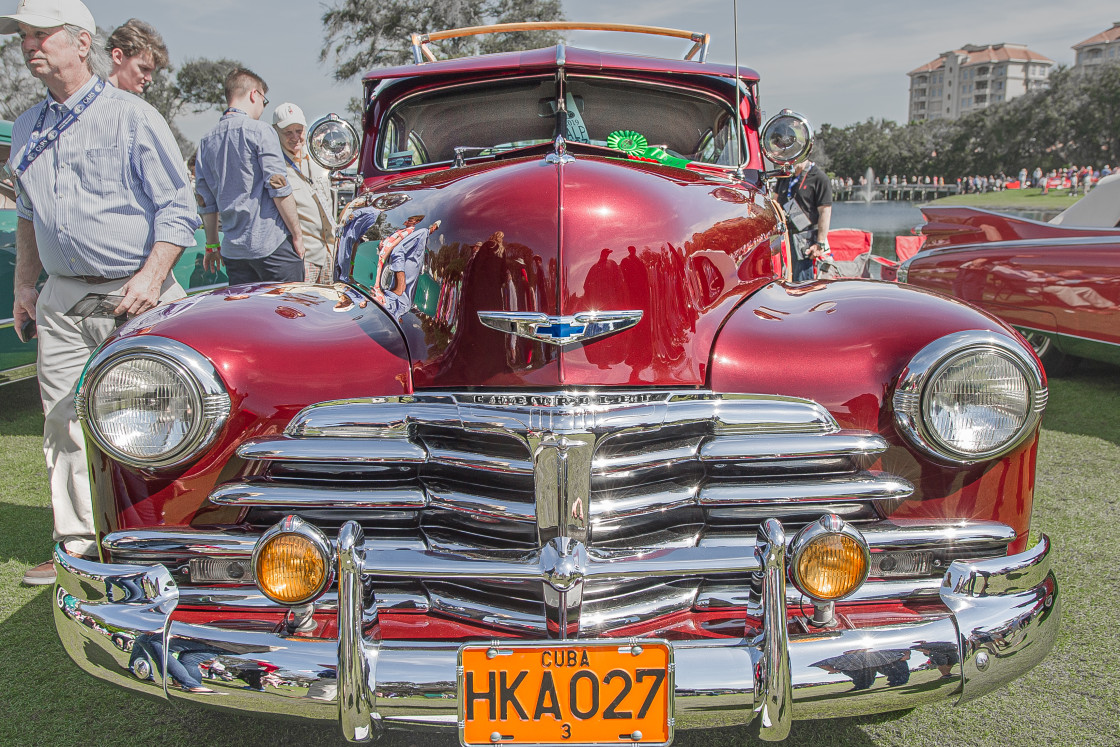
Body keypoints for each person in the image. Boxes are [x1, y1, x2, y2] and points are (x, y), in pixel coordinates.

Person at [2, 0, 200, 585]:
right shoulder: (27, 126)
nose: (29, 46)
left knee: (165, 418)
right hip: (62, 298)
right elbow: (29, 217)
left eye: (42, 35)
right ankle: (80, 545)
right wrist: (24, 286)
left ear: (81, 42)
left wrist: (149, 275)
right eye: (24, 37)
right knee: (63, 421)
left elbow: (177, 207)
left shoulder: (132, 116)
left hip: (136, 293)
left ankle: (173, 541)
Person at [195, 68, 304, 285]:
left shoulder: (206, 141)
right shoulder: (260, 131)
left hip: (234, 251)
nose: (263, 108)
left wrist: (212, 244)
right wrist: (297, 234)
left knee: (248, 316)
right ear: (255, 94)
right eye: (264, 101)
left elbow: (205, 200)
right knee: (289, 314)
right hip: (271, 245)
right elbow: (278, 187)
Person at [272, 102, 336, 283]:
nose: (295, 137)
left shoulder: (318, 158)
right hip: (303, 257)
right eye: (287, 132)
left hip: (329, 253)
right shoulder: (275, 167)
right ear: (275, 131)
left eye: (299, 131)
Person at [780, 158, 832, 281]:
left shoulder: (819, 178)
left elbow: (825, 212)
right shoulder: (785, 175)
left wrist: (820, 243)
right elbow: (775, 201)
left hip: (805, 241)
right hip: (785, 237)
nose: (791, 162)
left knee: (802, 282)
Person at [105, 18, 166, 95]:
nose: (149, 78)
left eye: (151, 71)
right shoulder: (95, 99)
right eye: (144, 68)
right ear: (118, 56)